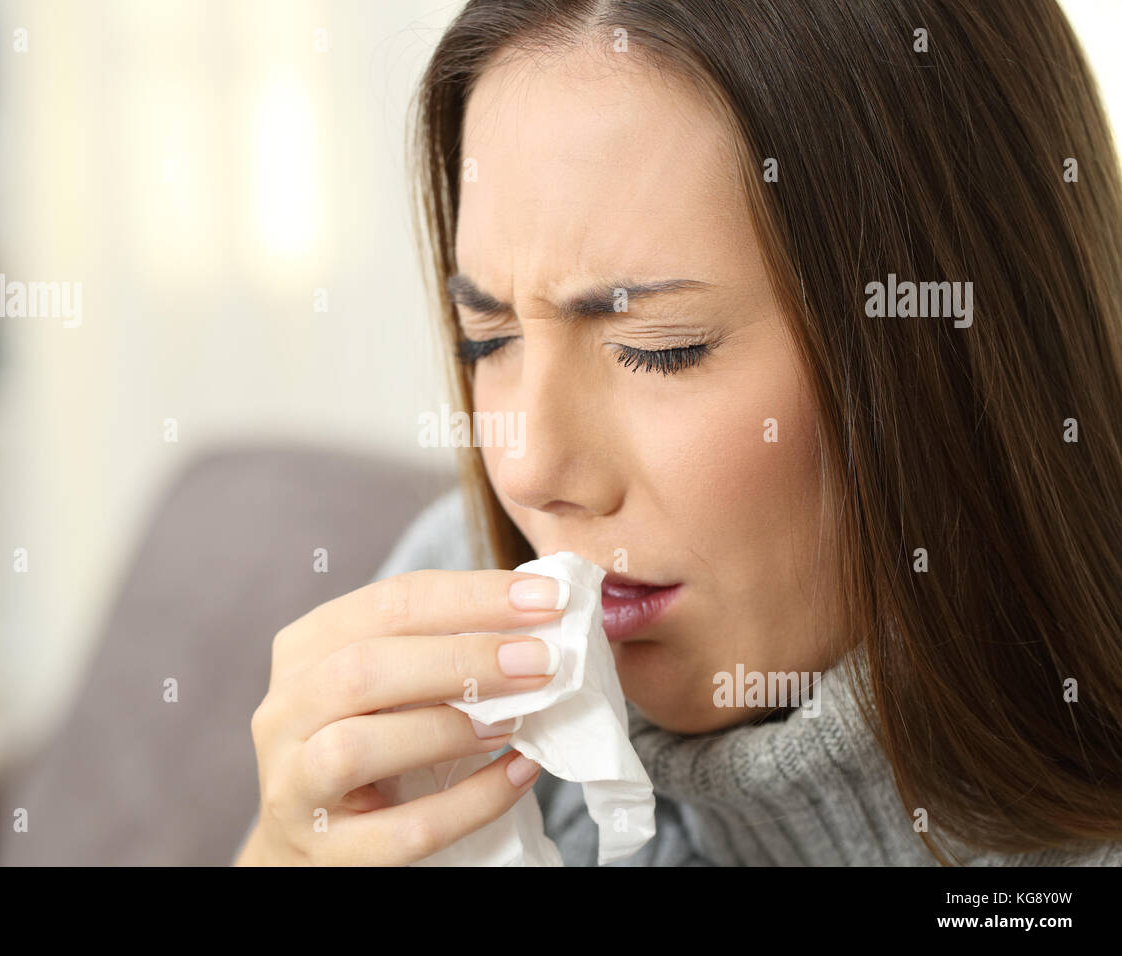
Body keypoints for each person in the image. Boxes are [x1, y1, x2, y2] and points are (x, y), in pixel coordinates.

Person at [236, 0, 1122, 865]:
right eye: (490, 339)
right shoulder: (454, 629)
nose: (527, 467)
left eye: (660, 349)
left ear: (948, 341)